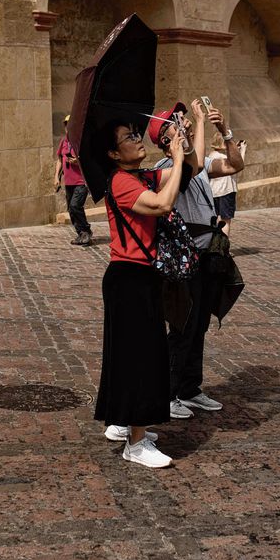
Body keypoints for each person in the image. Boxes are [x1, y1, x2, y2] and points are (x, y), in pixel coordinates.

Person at [95, 119, 188, 468]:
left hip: (141, 277)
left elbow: (187, 173)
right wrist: (176, 160)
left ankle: (123, 423)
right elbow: (163, 204)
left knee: (133, 355)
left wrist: (184, 142)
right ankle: (135, 444)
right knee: (140, 359)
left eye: (136, 134)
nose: (136, 140)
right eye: (128, 137)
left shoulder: (140, 176)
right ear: (113, 153)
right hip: (128, 279)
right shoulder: (120, 182)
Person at [148, 99, 244, 418]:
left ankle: (190, 388)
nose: (185, 122)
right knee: (182, 326)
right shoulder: (169, 169)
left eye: (184, 118)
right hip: (182, 260)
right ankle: (167, 392)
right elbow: (196, 163)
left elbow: (234, 166)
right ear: (166, 140)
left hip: (206, 256)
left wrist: (224, 131)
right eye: (178, 122)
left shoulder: (196, 165)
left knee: (199, 324)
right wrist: (201, 122)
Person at [54, 114, 92, 246]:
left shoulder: (81, 141)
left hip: (81, 181)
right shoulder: (64, 141)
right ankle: (81, 234)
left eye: (70, 124)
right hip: (68, 182)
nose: (67, 127)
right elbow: (59, 159)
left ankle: (86, 231)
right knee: (71, 209)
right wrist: (56, 177)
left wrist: (78, 161)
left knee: (75, 206)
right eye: (66, 125)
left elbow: (89, 160)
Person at [207, 133, 246, 236]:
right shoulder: (224, 157)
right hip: (226, 192)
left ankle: (214, 245)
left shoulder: (211, 156)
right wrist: (242, 150)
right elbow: (238, 165)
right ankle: (224, 247)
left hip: (213, 192)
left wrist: (234, 149)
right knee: (226, 221)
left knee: (216, 219)